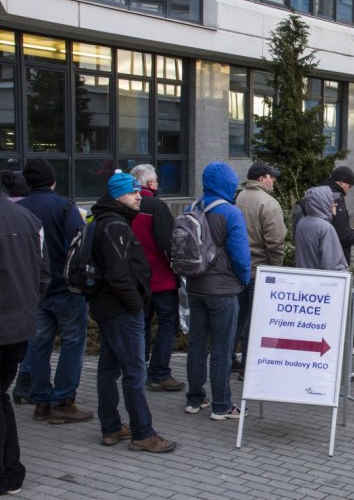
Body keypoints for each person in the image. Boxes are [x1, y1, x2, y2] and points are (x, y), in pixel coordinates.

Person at [89, 170, 175, 452]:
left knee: (109, 367)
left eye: (138, 191)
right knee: (134, 372)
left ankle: (112, 427)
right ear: (117, 196)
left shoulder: (104, 220)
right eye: (132, 192)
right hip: (121, 309)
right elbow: (117, 274)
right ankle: (143, 433)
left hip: (108, 306)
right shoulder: (115, 225)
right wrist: (137, 305)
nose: (139, 196)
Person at [17, 159, 93, 425]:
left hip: (33, 291)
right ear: (53, 181)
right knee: (73, 344)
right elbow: (81, 243)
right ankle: (62, 401)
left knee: (38, 346)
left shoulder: (19, 209)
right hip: (66, 289)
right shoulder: (64, 207)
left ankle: (40, 400)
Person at [184, 162, 251, 421]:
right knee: (222, 348)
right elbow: (241, 256)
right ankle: (222, 405)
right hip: (223, 290)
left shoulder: (192, 207)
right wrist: (243, 280)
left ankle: (195, 399)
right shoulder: (230, 213)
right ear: (228, 184)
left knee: (197, 344)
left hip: (195, 286)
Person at [0, 182, 50, 495]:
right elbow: (44, 274)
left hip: (11, 322)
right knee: (2, 395)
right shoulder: (27, 219)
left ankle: (9, 474)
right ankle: (11, 472)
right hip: (19, 325)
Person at [129, 164, 184, 393]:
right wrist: (179, 268)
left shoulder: (124, 205)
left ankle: (136, 370)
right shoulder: (156, 206)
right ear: (151, 184)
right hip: (160, 278)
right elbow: (168, 245)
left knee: (140, 324)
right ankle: (159, 373)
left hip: (135, 278)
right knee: (167, 323)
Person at [234, 162, 286, 379]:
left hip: (237, 270)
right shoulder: (268, 203)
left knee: (236, 320)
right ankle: (248, 369)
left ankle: (229, 361)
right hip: (260, 271)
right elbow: (275, 242)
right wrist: (276, 268)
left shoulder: (237, 198)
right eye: (272, 177)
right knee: (255, 323)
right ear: (263, 178)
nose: (274, 180)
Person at [295, 186, 349, 271]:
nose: (336, 204)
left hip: (304, 279)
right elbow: (333, 266)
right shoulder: (325, 228)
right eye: (333, 201)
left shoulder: (302, 223)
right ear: (323, 203)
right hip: (321, 281)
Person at [322, 166, 354, 266]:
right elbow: (343, 237)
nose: (348, 191)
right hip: (335, 260)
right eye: (349, 186)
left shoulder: (319, 193)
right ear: (341, 182)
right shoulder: (336, 198)